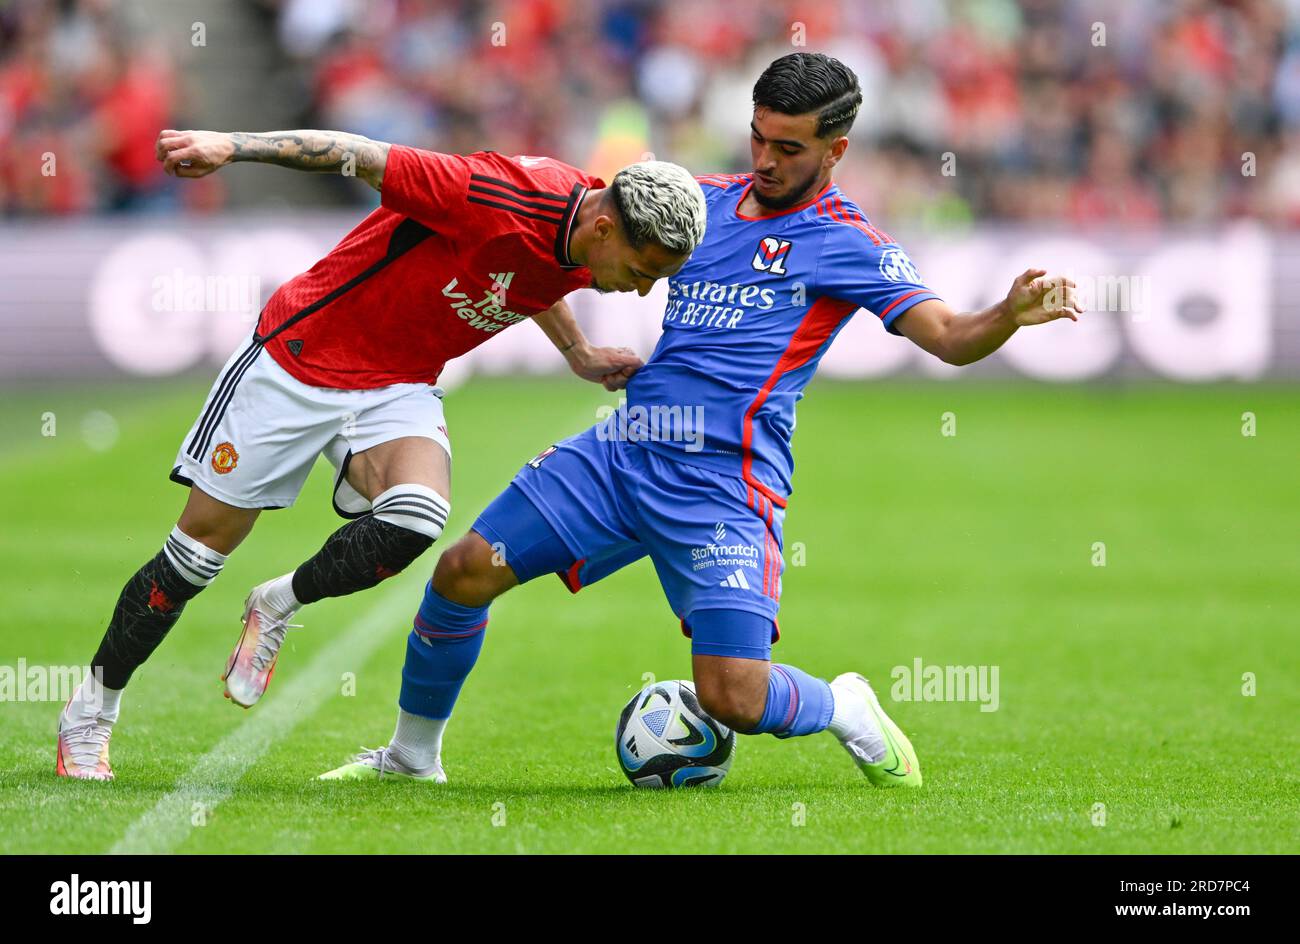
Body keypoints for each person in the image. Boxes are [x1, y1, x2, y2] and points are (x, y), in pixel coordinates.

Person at [312, 52, 1082, 786]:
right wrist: (578, 346)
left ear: (835, 150)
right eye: (757, 136)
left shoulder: (847, 242)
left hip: (722, 486)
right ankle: (412, 758)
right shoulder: (699, 204)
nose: (766, 159)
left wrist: (1008, 314)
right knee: (462, 571)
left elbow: (947, 338)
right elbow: (559, 247)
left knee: (733, 697)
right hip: (626, 451)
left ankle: (845, 704)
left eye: (789, 146)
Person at [55, 127, 707, 781]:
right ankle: (89, 715)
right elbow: (359, 155)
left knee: (417, 518)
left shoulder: (582, 238)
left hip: (397, 382)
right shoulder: (494, 192)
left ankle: (278, 602)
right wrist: (232, 146)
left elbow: (529, 280)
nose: (642, 290)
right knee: (192, 562)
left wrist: (579, 354)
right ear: (603, 228)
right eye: (641, 271)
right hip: (299, 359)